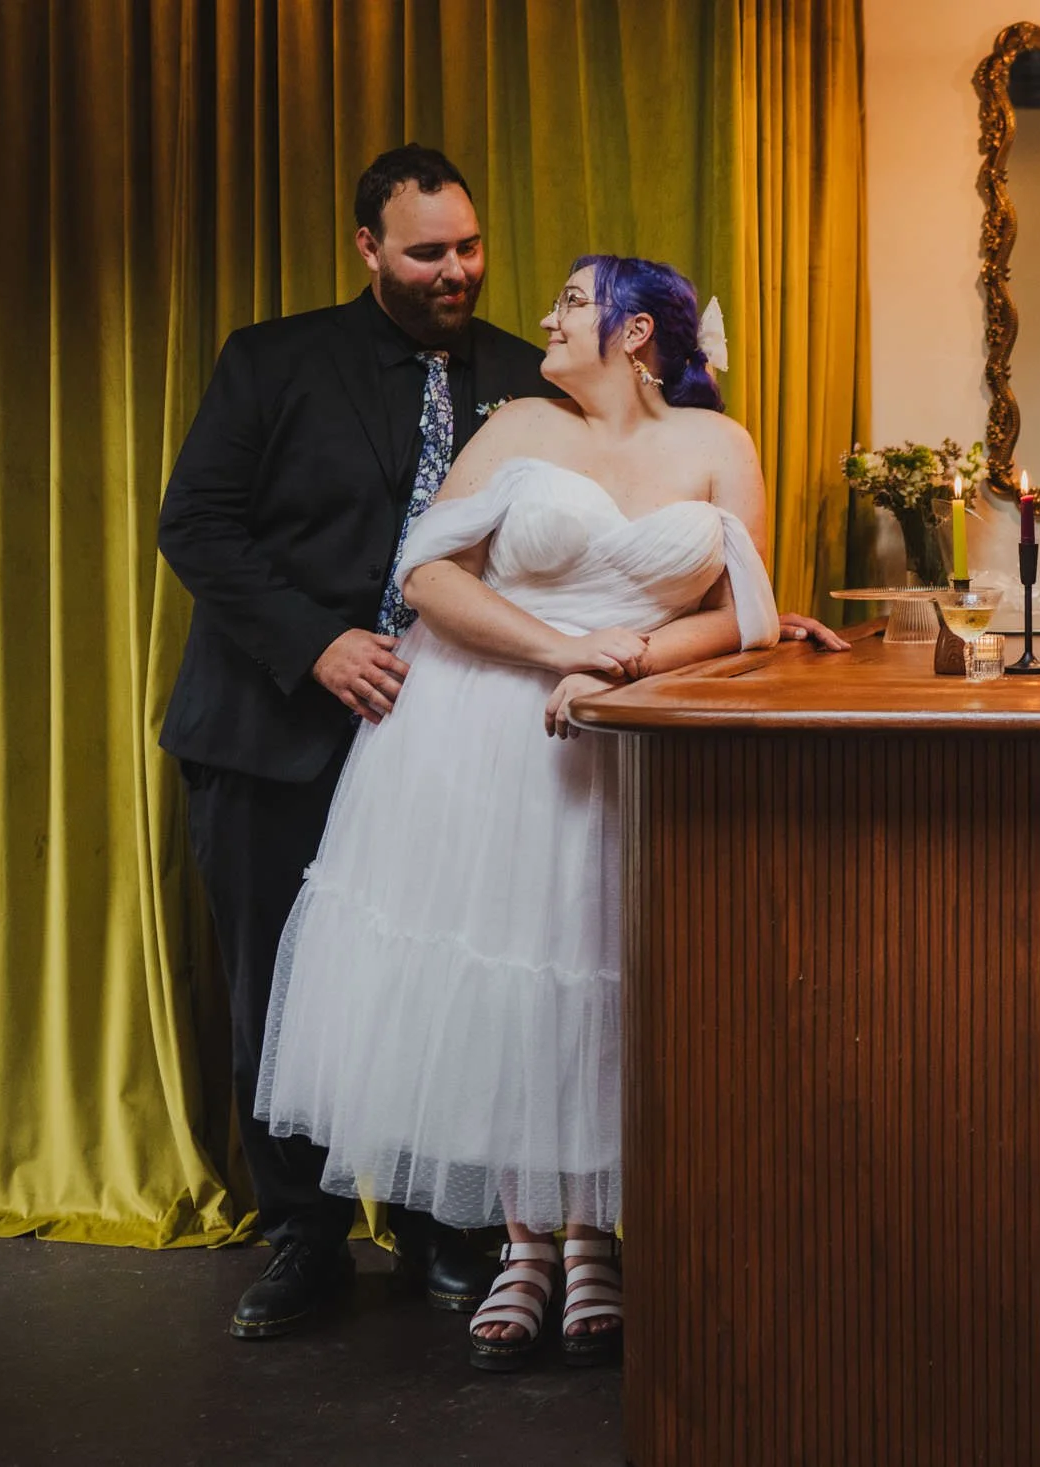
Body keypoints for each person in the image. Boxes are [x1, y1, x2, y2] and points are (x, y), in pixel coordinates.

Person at [254, 254, 787, 1372]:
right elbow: (426, 577)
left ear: (637, 334)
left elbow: (750, 614)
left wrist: (624, 660)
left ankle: (595, 1236)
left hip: (627, 740)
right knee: (501, 973)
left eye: (575, 303)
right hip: (484, 728)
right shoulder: (513, 430)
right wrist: (561, 649)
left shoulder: (716, 446)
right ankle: (522, 1243)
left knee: (598, 975)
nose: (548, 318)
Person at [159, 144, 559, 1339]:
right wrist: (317, 642)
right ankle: (303, 1243)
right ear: (368, 249)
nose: (456, 270)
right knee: (276, 988)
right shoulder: (271, 359)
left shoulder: (528, 380)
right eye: (428, 250)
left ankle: (446, 1233)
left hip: (452, 748)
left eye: (470, 246)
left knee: (441, 979)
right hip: (274, 730)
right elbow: (198, 524)